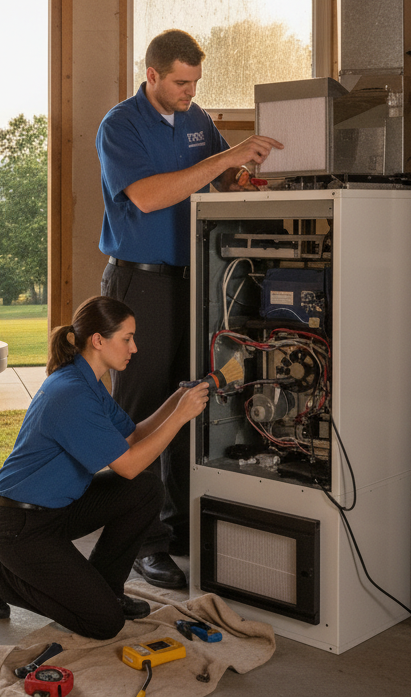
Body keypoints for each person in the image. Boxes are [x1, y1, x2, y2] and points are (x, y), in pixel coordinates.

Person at [96, 29, 282, 590]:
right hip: (140, 286)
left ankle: (176, 529)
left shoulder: (198, 120)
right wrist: (224, 157)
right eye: (180, 82)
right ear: (151, 74)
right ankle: (141, 544)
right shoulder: (120, 125)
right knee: (141, 412)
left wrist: (240, 174)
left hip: (194, 282)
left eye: (195, 82)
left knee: (189, 403)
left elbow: (220, 174)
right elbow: (149, 197)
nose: (189, 91)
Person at [0, 295, 210, 640]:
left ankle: (105, 590)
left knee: (146, 491)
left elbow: (131, 437)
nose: (135, 347)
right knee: (104, 623)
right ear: (99, 340)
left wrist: (175, 402)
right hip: (20, 526)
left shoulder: (88, 382)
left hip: (58, 510)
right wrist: (181, 417)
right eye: (127, 338)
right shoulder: (71, 393)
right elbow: (128, 465)